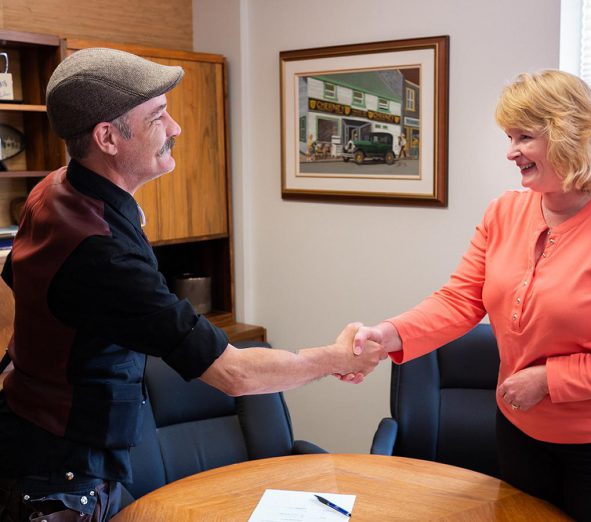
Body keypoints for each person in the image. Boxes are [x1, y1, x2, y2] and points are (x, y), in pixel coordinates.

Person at [0, 48, 385, 522]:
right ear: (107, 138)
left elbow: (17, 283)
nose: (176, 128)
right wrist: (336, 357)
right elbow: (235, 374)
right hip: (58, 479)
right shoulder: (101, 253)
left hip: (37, 438)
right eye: (158, 116)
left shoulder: (55, 189)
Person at [351, 70, 591, 522]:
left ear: (572, 134)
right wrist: (388, 334)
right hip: (523, 432)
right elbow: (460, 299)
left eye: (524, 137)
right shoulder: (504, 211)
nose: (510, 152)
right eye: (509, 137)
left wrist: (550, 381)